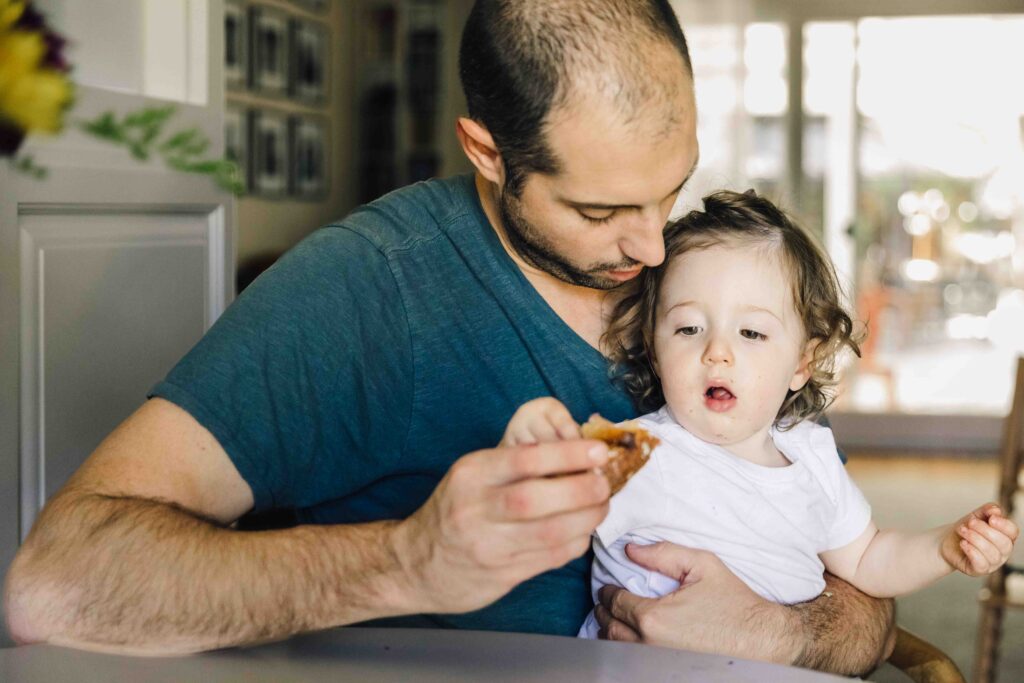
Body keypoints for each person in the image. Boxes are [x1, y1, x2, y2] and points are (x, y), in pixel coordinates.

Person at [3, 1, 893, 673]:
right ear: (488, 153)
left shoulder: (705, 277)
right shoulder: (370, 290)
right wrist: (408, 561)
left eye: (671, 190)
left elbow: (848, 565)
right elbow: (53, 582)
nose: (653, 245)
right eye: (600, 209)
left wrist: (781, 629)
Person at [500, 190, 1020, 642]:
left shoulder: (811, 456)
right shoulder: (633, 450)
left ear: (802, 362)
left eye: (751, 333)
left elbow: (868, 561)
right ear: (654, 350)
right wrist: (530, 446)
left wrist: (946, 546)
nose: (717, 352)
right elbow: (528, 512)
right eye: (687, 330)